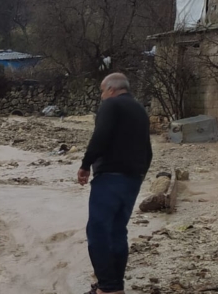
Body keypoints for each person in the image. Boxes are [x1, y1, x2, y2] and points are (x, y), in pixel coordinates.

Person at [78, 73, 152, 294]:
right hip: (133, 179)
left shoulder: (111, 105)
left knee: (98, 231)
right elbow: (148, 150)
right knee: (117, 232)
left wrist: (85, 165)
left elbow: (100, 136)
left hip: (110, 177)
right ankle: (115, 285)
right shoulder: (140, 110)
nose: (102, 96)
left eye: (102, 91)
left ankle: (108, 287)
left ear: (111, 89)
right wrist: (140, 175)